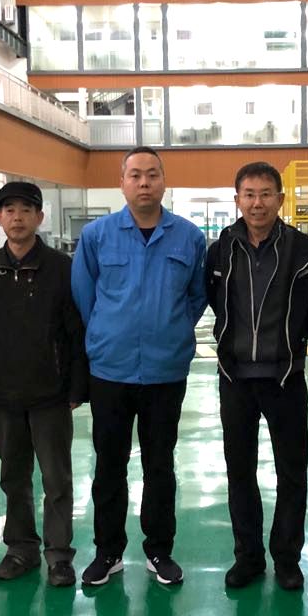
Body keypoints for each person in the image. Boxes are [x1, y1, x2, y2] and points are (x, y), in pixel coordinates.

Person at [71, 146, 207, 587]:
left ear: (164, 181)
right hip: (110, 370)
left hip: (166, 372)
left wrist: (170, 329)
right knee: (108, 465)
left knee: (159, 465)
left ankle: (159, 550)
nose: (144, 182)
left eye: (152, 174)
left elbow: (197, 296)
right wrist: (107, 332)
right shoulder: (97, 236)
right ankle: (108, 551)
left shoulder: (188, 237)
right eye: (135, 175)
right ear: (122, 183)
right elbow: (84, 295)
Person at [206, 161, 308, 591]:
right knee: (239, 471)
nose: (257, 203)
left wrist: (290, 345)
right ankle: (248, 557)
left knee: (291, 472)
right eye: (249, 194)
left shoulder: (305, 251)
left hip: (284, 378)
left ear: (280, 198)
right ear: (237, 199)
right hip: (235, 378)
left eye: (265, 194)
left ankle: (287, 559)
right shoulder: (221, 249)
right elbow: (214, 299)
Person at [0, 180, 87, 587]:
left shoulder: (61, 268)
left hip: (50, 395)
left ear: (39, 217)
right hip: (2, 395)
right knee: (13, 478)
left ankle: (59, 554)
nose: (17, 217)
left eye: (25, 210)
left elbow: (75, 330)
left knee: (56, 479)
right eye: (9, 210)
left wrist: (76, 387)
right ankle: (20, 548)